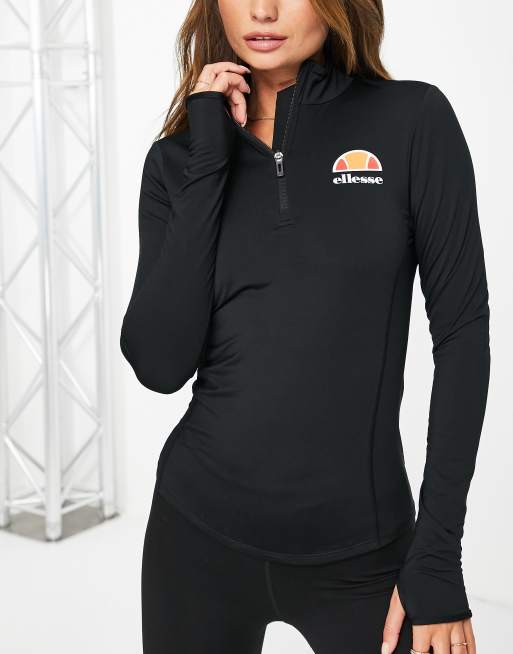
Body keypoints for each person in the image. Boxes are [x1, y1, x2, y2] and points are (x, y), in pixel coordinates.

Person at [119, 1, 490, 653]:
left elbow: (461, 335)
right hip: (196, 536)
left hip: (363, 553)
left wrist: (435, 555)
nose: (263, 10)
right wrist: (208, 160)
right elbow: (159, 364)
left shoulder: (410, 120)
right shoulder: (179, 161)